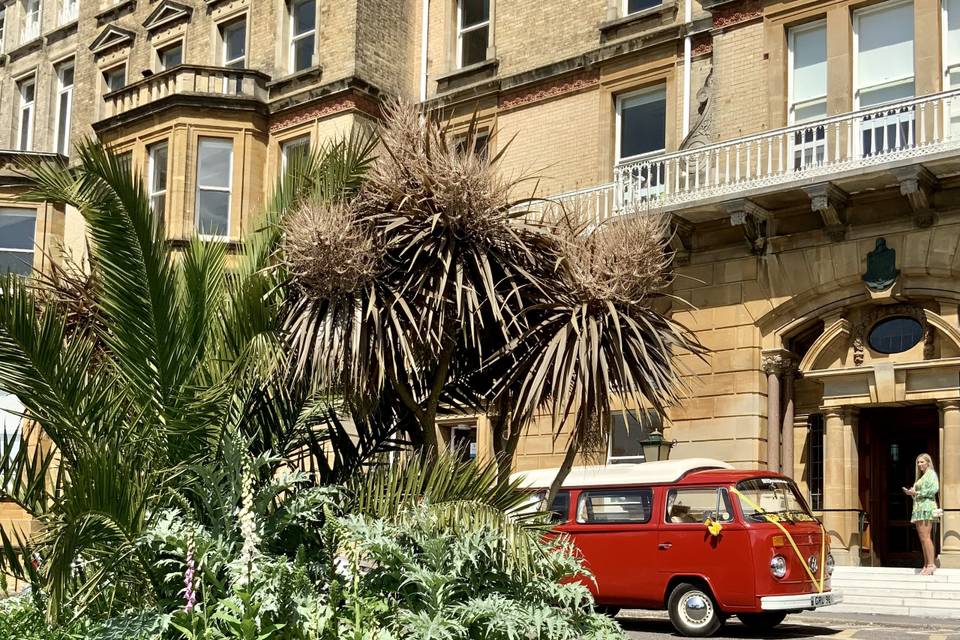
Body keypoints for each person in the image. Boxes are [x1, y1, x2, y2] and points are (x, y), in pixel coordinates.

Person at [902, 453, 940, 575]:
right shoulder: (922, 477)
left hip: (926, 508)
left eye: (922, 462)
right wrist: (912, 492)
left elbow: (934, 489)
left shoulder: (931, 474)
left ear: (928, 462)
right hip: (919, 508)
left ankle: (931, 564)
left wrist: (916, 492)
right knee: (922, 539)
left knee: (926, 537)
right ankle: (926, 563)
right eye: (918, 462)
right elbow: (919, 493)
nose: (919, 464)